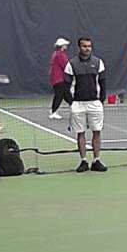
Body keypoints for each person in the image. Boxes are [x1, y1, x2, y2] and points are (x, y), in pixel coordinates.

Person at [65, 37, 107, 173]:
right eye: (84, 46)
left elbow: (103, 82)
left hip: (95, 103)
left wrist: (100, 100)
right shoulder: (71, 64)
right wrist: (71, 102)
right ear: (79, 47)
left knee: (97, 131)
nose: (87, 48)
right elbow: (65, 85)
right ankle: (83, 161)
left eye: (89, 46)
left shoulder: (98, 63)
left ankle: (96, 160)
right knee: (80, 133)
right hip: (78, 104)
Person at [49, 38, 70, 120]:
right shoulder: (60, 54)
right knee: (60, 95)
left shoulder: (56, 53)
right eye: (65, 44)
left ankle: (75, 107)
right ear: (62, 46)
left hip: (56, 78)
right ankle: (54, 112)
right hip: (59, 78)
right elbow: (66, 65)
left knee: (64, 94)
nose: (66, 46)